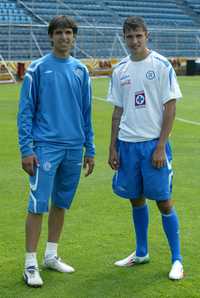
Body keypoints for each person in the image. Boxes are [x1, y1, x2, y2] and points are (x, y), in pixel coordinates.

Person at [17, 15, 95, 287]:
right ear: (50, 37)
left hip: (74, 148)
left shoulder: (81, 71)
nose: (64, 37)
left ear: (74, 37)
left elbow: (87, 113)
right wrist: (27, 149)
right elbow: (25, 112)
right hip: (46, 148)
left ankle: (51, 255)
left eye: (69, 32)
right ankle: (30, 263)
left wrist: (90, 148)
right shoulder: (37, 69)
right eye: (59, 32)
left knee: (61, 203)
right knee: (38, 204)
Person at [107, 16, 183, 280]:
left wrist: (161, 146)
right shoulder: (120, 70)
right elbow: (117, 110)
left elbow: (170, 107)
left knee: (164, 202)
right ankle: (141, 252)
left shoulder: (161, 65)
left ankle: (177, 260)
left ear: (146, 35)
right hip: (127, 145)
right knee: (135, 198)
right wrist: (113, 148)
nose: (134, 41)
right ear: (124, 38)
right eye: (129, 36)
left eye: (138, 35)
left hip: (153, 145)